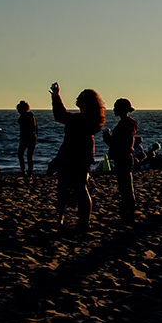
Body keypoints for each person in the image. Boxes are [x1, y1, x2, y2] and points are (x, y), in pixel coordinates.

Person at [51, 82, 105, 232]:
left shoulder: (81, 119)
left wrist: (56, 97)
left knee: (64, 190)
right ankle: (83, 222)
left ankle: (61, 220)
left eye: (80, 97)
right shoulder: (91, 121)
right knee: (81, 190)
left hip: (71, 159)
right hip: (82, 159)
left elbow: (61, 116)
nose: (77, 98)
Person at [101, 98, 138, 225]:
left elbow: (117, 144)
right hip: (127, 157)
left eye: (116, 107)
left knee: (124, 188)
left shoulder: (123, 125)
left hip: (122, 158)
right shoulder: (131, 123)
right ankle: (129, 214)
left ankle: (127, 215)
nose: (114, 110)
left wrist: (107, 137)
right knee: (127, 186)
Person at [16, 100, 38, 177]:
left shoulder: (24, 117)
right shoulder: (31, 116)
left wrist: (24, 140)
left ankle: (24, 171)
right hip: (32, 138)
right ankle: (29, 172)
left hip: (26, 139)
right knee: (29, 156)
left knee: (21, 154)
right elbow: (35, 128)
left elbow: (24, 130)